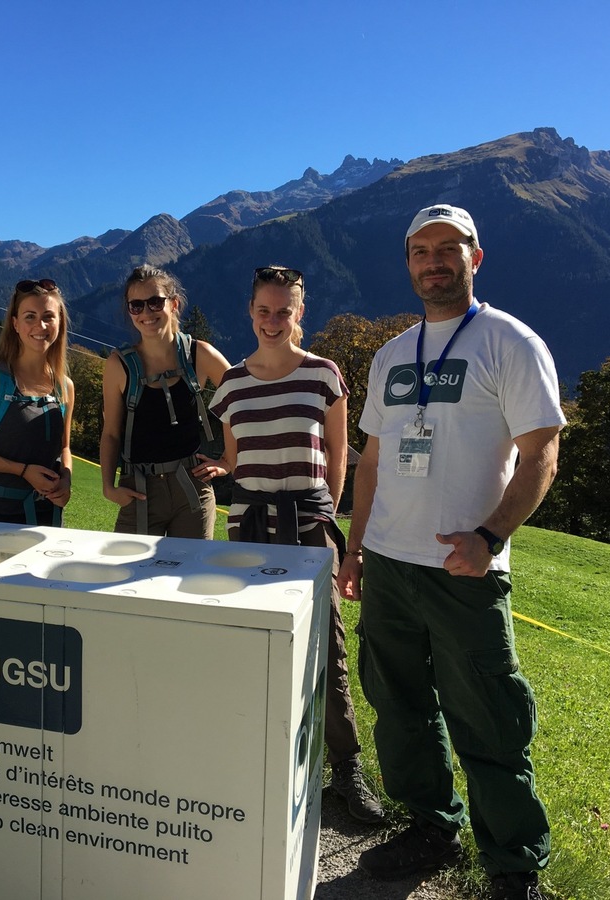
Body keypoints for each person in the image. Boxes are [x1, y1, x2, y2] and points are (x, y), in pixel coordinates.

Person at [341, 205, 565, 900]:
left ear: (477, 256)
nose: (434, 261)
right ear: (407, 263)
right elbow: (372, 464)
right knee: (398, 707)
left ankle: (514, 866)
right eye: (420, 251)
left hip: (464, 571)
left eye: (449, 248)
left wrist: (491, 536)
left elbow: (542, 454)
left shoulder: (508, 342)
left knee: (490, 717)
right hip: (388, 565)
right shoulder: (390, 354)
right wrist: (354, 551)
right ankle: (431, 829)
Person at [209, 265, 384, 825]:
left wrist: (327, 515)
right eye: (263, 310)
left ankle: (345, 766)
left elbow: (338, 455)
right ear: (250, 311)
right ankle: (262, 759)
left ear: (299, 314)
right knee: (253, 642)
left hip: (310, 525)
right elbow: (236, 460)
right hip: (249, 526)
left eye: (284, 311)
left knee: (326, 645)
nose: (272, 321)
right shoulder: (231, 385)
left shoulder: (324, 375)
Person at [100, 265, 231, 539]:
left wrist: (229, 461)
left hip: (192, 488)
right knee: (127, 576)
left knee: (189, 577)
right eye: (136, 306)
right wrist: (108, 487)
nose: (146, 313)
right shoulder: (119, 365)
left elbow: (241, 403)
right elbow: (111, 432)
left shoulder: (200, 354)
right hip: (138, 490)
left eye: (155, 302)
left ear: (174, 304)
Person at [0, 279, 74, 525]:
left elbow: (64, 447)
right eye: (30, 316)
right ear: (15, 323)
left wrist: (66, 479)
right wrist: (22, 471)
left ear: (60, 322)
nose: (40, 325)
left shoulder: (64, 386)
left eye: (48, 316)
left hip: (48, 516)